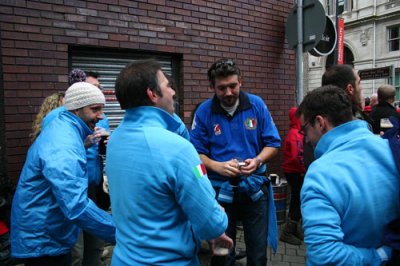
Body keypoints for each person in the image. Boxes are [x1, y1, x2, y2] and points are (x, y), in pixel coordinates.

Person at [106, 59, 232, 265]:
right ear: (152, 94)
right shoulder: (178, 148)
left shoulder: (115, 140)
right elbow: (212, 223)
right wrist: (218, 217)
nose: (173, 92)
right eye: (168, 86)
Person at [10, 82, 116, 266]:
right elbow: (76, 206)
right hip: (44, 240)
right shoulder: (63, 143)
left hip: (47, 233)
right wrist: (122, 232)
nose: (101, 116)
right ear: (75, 110)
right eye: (95, 109)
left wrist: (84, 146)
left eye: (102, 109)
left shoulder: (65, 129)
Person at [190, 58, 281, 265]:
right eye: (222, 88)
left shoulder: (256, 105)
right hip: (219, 193)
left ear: (241, 82)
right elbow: (194, 153)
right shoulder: (204, 112)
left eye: (232, 86)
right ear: (212, 87)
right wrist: (215, 166)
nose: (228, 92)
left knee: (258, 254)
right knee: (222, 255)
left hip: (254, 191)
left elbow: (273, 143)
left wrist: (257, 161)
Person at [297, 85, 400, 265]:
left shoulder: (320, 174)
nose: (306, 139)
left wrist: (378, 257)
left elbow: (325, 256)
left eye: (304, 129)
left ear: (320, 123)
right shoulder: (391, 150)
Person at [71, 71, 111, 266]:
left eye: (99, 87)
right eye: (93, 87)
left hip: (96, 184)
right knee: (76, 247)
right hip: (77, 187)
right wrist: (83, 143)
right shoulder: (70, 119)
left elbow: (104, 147)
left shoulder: (101, 117)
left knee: (96, 243)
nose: (98, 91)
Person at [279, 107, 305, 246]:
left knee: (297, 199)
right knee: (298, 199)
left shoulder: (297, 132)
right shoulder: (294, 134)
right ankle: (287, 232)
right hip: (295, 172)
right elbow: (296, 157)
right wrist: (303, 169)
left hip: (296, 171)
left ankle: (293, 228)